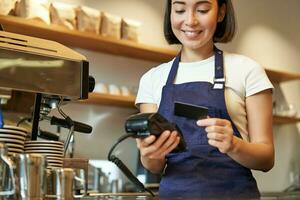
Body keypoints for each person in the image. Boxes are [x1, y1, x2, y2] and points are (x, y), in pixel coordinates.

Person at [135, 0, 274, 199]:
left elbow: (266, 158)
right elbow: (155, 166)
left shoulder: (247, 70)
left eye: (202, 10)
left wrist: (234, 145)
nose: (190, 21)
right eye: (180, 10)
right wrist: (149, 154)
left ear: (221, 13)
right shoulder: (152, 79)